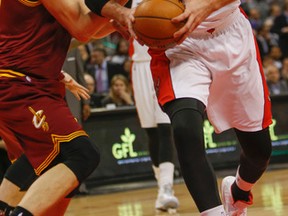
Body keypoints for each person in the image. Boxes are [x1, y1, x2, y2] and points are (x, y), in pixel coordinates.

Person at [136, 0, 273, 215]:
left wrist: (206, 6)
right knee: (185, 129)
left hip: (230, 33)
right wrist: (119, 13)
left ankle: (238, 191)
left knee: (259, 151)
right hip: (179, 45)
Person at [0, 0, 132, 215]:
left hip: (34, 81)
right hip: (18, 82)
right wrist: (121, 9)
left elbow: (90, 29)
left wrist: (125, 18)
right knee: (81, 154)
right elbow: (81, 28)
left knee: (44, 162)